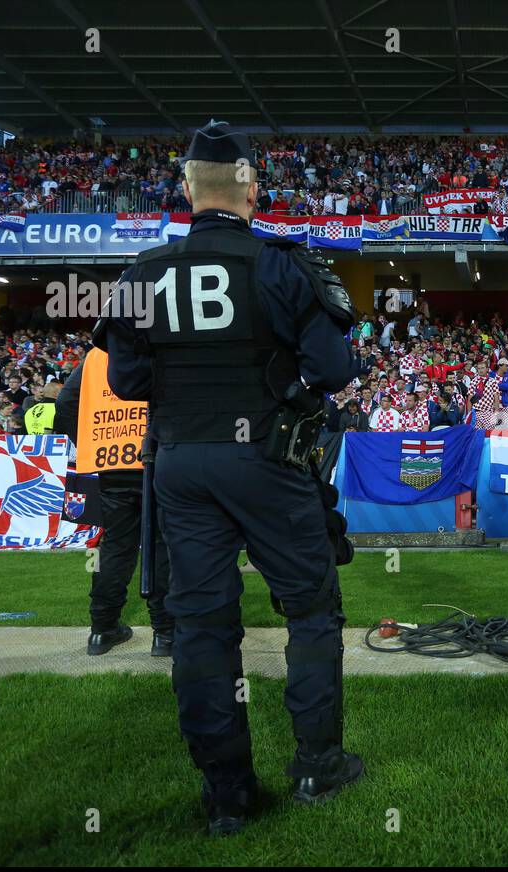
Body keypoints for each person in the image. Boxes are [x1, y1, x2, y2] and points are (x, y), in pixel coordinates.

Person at [99, 120, 364, 836]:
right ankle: (317, 765)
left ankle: (228, 798)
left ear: (186, 188)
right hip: (268, 460)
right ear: (252, 185)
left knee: (202, 626)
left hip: (181, 464)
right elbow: (337, 370)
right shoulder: (282, 264)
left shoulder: (141, 273)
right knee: (309, 608)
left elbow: (124, 382)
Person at [55, 352, 173, 657]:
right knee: (162, 546)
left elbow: (65, 404)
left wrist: (93, 443)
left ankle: (102, 630)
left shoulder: (96, 355)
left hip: (113, 462)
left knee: (115, 547)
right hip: (161, 460)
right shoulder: (164, 337)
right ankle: (165, 633)